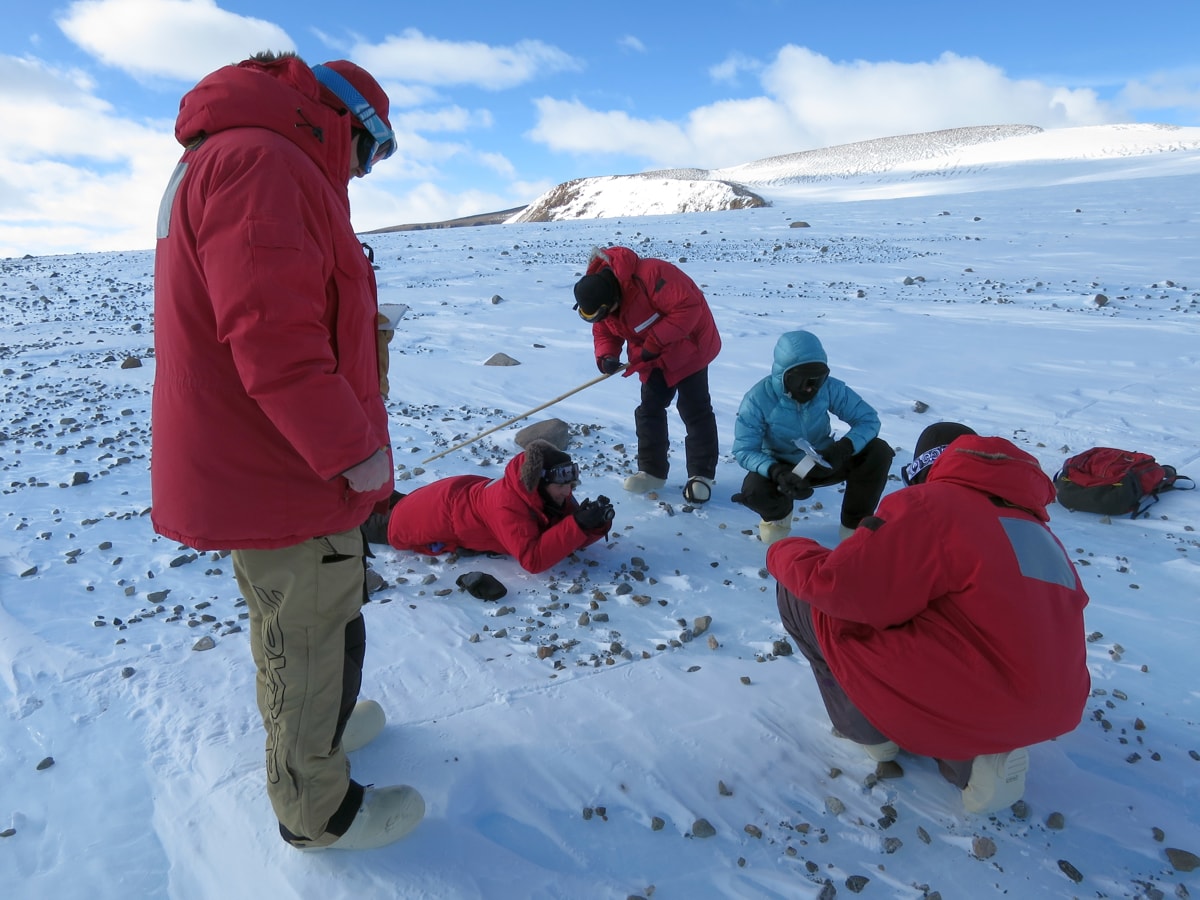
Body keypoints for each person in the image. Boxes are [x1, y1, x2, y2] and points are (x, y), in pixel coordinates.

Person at [151, 51, 424, 851]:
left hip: (261, 461)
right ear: (342, 120)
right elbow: (273, 337)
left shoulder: (235, 153)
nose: (366, 172)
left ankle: (320, 736)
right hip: (283, 468)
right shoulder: (262, 162)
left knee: (307, 619)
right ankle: (318, 810)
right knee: (309, 630)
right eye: (371, 152)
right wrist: (354, 454)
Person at [767, 423, 1091, 814]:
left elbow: (840, 588)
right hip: (1058, 703)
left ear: (930, 465)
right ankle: (975, 762)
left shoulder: (932, 503)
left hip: (981, 691)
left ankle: (868, 729)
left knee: (807, 597)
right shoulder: (1037, 531)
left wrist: (786, 550)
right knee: (940, 617)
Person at [572, 246, 721, 504]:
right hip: (652, 355)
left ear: (612, 300)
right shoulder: (601, 298)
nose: (600, 318)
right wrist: (607, 357)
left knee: (695, 410)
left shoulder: (651, 275)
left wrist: (653, 343)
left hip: (690, 346)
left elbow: (689, 308)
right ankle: (652, 472)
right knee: (649, 409)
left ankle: (701, 476)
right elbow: (604, 331)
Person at [732, 330, 894, 545]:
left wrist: (844, 448)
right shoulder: (758, 399)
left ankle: (855, 529)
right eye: (803, 379)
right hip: (783, 468)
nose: (812, 386)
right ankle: (778, 521)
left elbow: (868, 419)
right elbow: (744, 450)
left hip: (825, 458)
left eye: (818, 378)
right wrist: (776, 471)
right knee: (755, 492)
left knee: (877, 452)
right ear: (784, 375)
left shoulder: (830, 388)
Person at [367, 440, 614, 574]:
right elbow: (533, 560)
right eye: (562, 486)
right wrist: (578, 524)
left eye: (571, 485)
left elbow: (566, 535)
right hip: (423, 517)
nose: (567, 492)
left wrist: (593, 523)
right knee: (355, 522)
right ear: (539, 483)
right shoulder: (509, 507)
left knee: (382, 500)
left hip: (445, 498)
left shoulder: (540, 492)